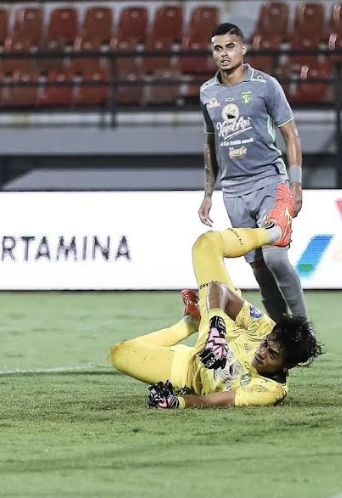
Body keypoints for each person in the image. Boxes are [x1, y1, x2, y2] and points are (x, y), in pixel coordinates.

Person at [109, 200, 322, 409]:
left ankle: (190, 322)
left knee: (120, 354)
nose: (262, 352)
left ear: (287, 366)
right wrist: (216, 331)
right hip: (220, 328)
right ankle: (274, 233)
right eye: (266, 344)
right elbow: (219, 290)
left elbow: (218, 400)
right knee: (206, 244)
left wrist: (178, 402)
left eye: (273, 355)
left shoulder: (268, 391)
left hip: (191, 372)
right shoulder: (265, 328)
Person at [198, 22, 306, 323]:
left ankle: (302, 328)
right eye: (218, 48)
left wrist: (296, 184)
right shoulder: (208, 92)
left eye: (230, 47)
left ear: (243, 49)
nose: (223, 54)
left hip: (270, 183)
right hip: (233, 192)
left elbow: (292, 135)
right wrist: (208, 194)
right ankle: (284, 333)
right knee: (259, 268)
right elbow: (211, 143)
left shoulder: (265, 85)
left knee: (275, 257)